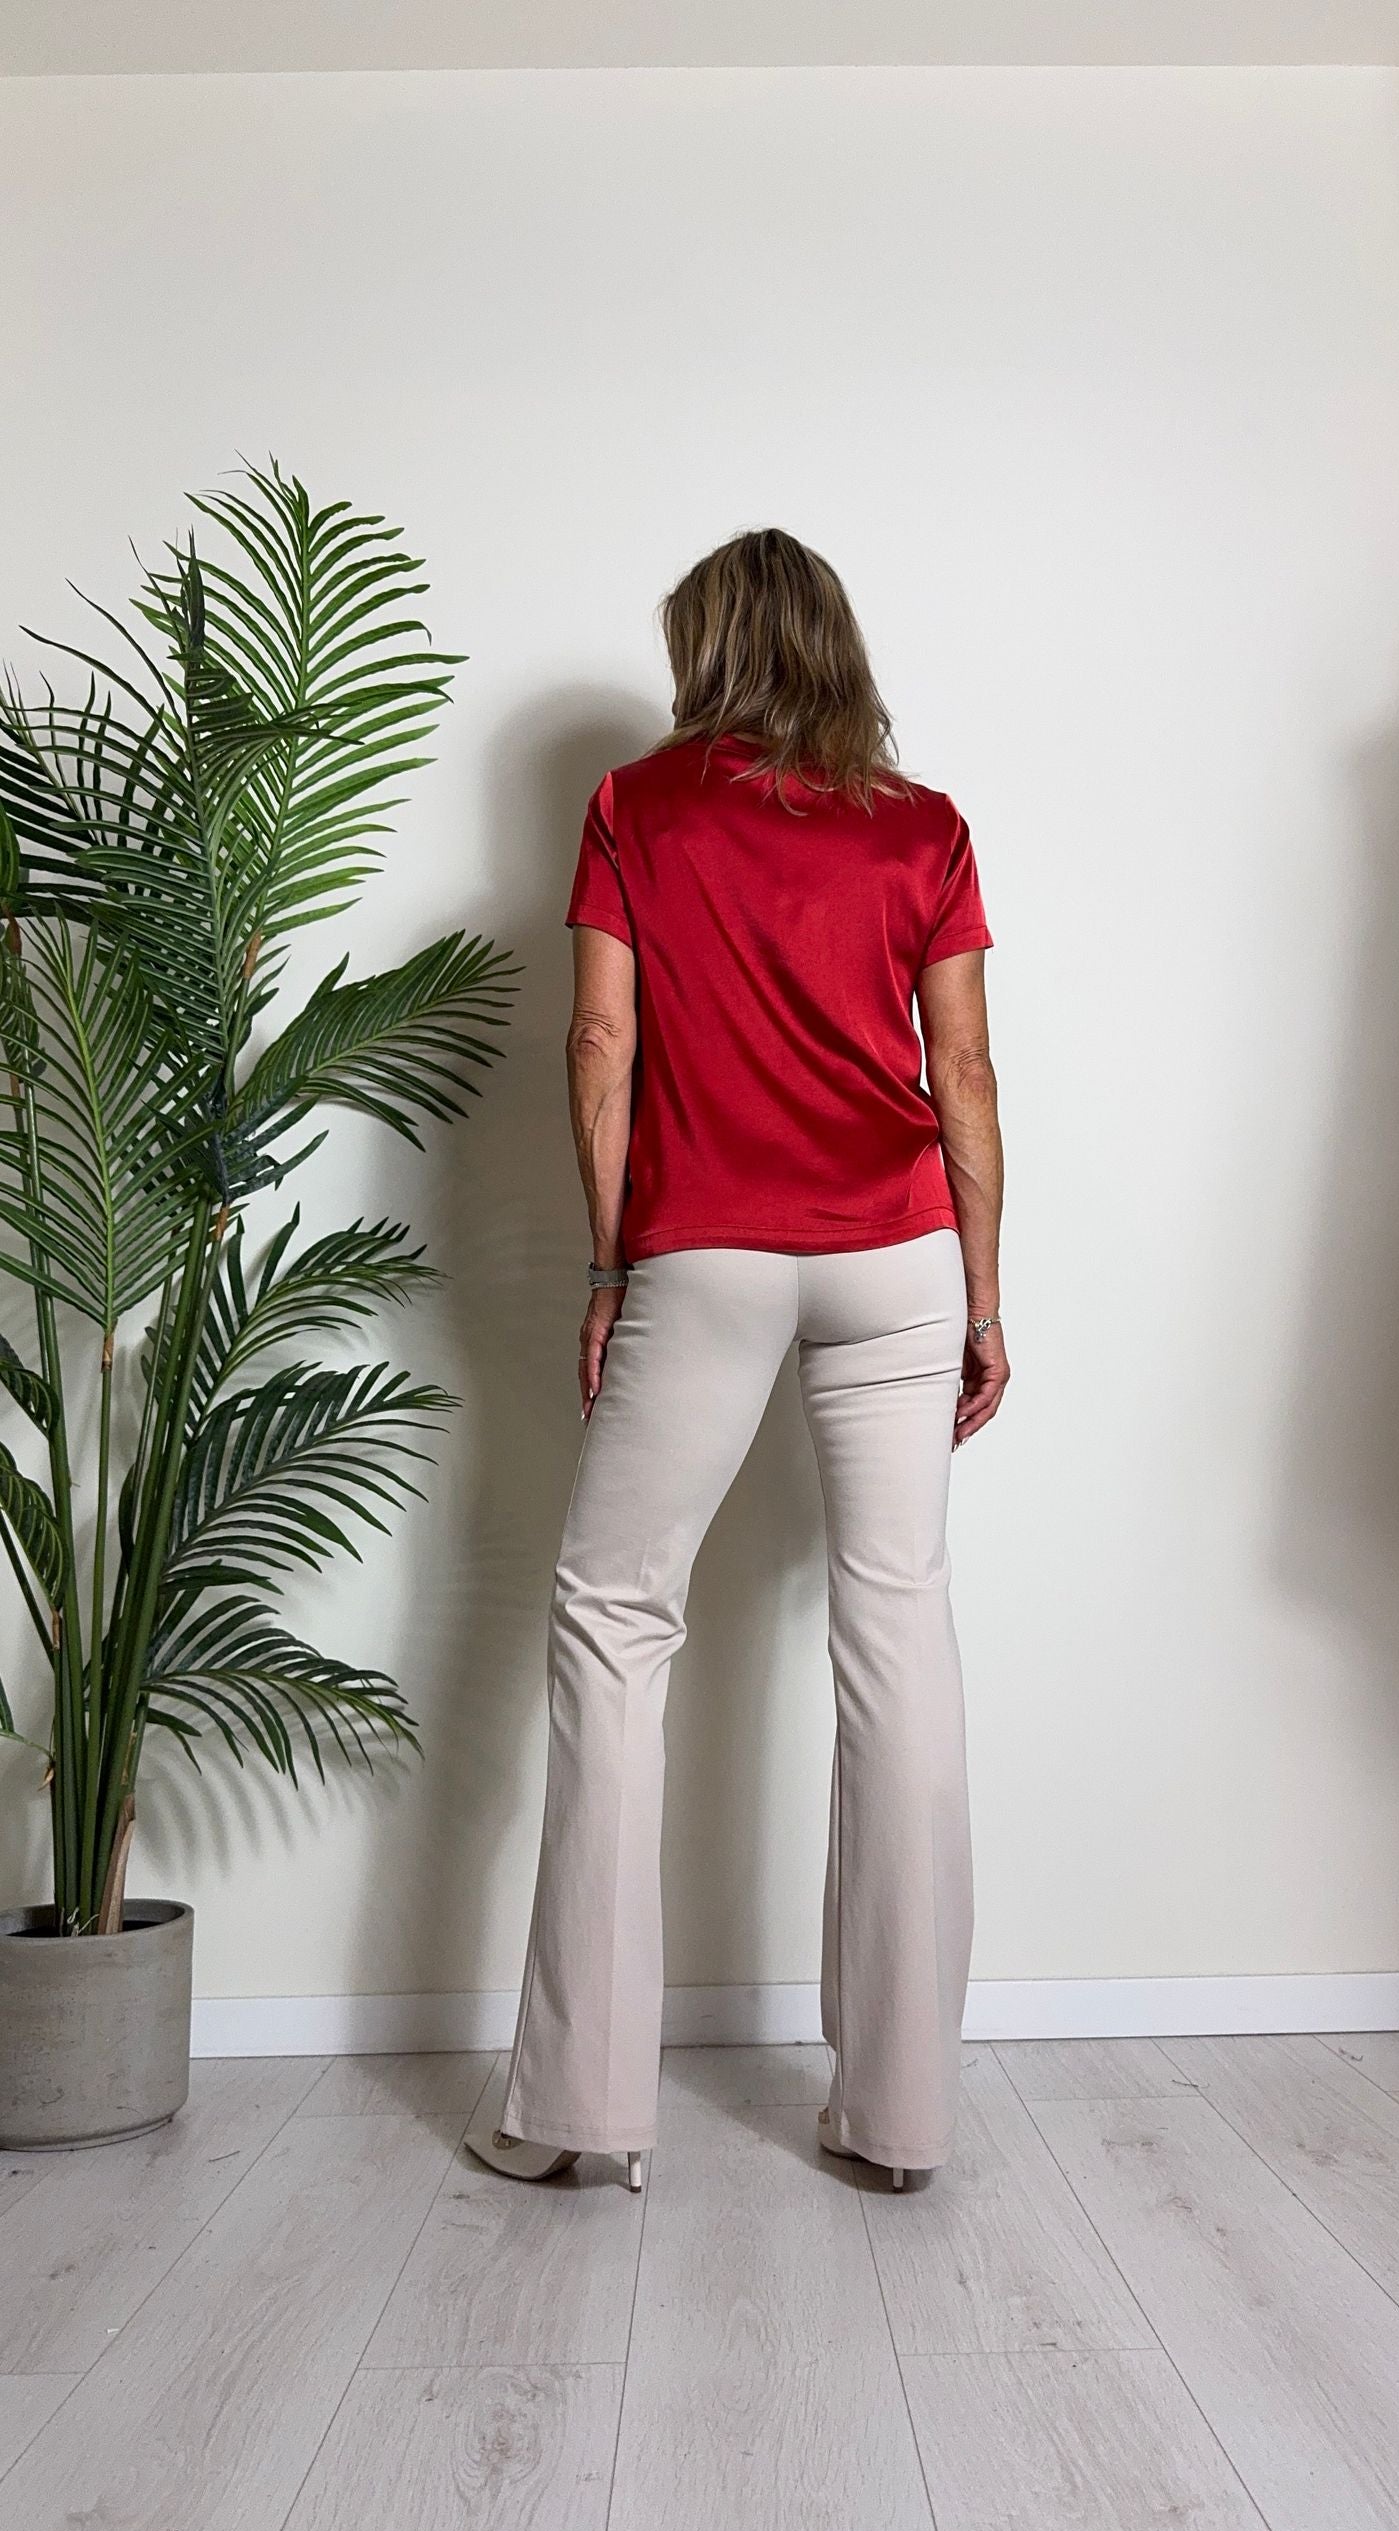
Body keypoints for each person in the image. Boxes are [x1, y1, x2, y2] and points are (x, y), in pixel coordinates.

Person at [474, 527, 1007, 2195]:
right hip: (899, 1254)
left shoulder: (636, 807)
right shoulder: (923, 827)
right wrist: (985, 1301)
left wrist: (608, 1266)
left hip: (703, 1248)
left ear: (706, 648)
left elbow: (598, 1040)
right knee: (898, 1632)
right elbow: (966, 1078)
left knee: (614, 1621)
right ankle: (902, 2117)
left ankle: (579, 2113)